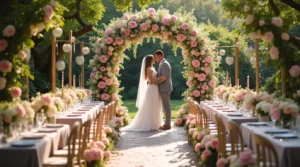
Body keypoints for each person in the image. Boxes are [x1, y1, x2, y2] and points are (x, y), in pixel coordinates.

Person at [121, 54, 166, 131]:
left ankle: (155, 124)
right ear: (149, 60)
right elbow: (151, 81)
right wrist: (160, 78)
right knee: (150, 106)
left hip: (155, 89)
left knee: (155, 105)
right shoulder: (148, 69)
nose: (154, 60)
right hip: (151, 89)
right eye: (153, 59)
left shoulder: (152, 68)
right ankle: (147, 124)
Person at [154, 50, 173, 130]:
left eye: (156, 57)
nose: (155, 59)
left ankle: (167, 124)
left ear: (160, 56)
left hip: (165, 88)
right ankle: (166, 123)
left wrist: (155, 83)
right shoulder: (162, 63)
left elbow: (164, 77)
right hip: (163, 88)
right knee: (165, 106)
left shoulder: (165, 64)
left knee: (166, 106)